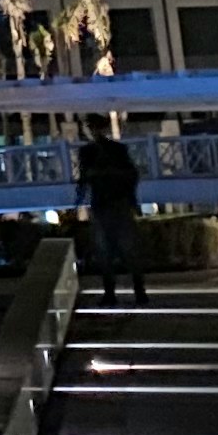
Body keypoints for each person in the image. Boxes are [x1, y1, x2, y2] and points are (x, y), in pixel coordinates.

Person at [75, 115, 148, 303]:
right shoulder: (91, 152)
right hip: (104, 204)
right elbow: (84, 178)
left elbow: (130, 175)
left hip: (115, 203)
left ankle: (136, 291)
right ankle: (114, 293)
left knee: (125, 249)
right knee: (106, 251)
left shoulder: (115, 150)